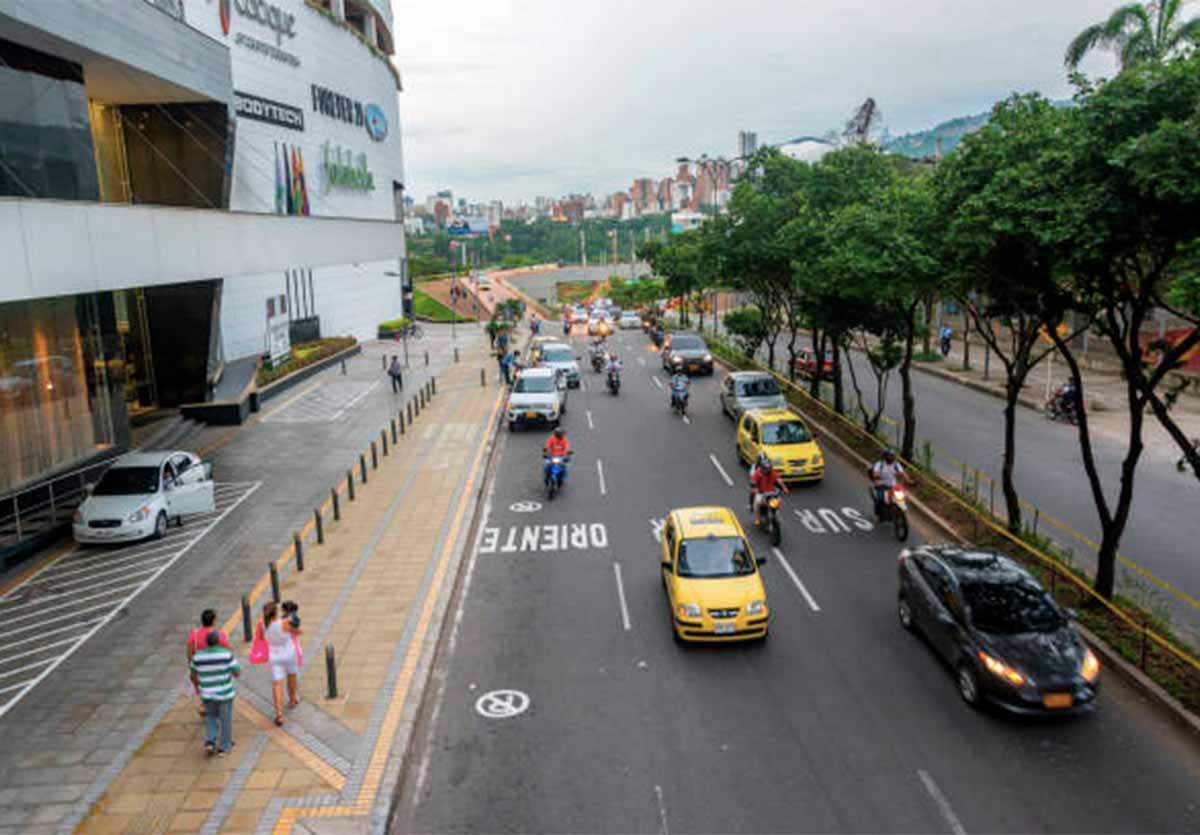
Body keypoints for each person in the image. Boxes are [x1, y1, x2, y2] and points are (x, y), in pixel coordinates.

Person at [190, 630, 241, 756]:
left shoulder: (197, 656)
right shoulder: (226, 655)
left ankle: (210, 741)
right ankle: (224, 746)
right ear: (218, 641)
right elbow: (237, 672)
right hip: (224, 693)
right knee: (225, 719)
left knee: (211, 717)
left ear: (206, 642)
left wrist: (198, 686)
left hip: (207, 693)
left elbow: (192, 674)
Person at [261, 601, 301, 726]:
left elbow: (263, 638)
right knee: (292, 676)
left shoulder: (263, 625)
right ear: (276, 612)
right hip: (289, 654)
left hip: (274, 656)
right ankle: (292, 699)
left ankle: (279, 714)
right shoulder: (284, 623)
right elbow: (298, 631)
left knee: (277, 684)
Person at [187, 609, 230, 717]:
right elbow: (227, 651)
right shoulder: (220, 634)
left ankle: (205, 704)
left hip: (201, 667)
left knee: (204, 686)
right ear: (214, 621)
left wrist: (192, 667)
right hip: (216, 666)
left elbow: (189, 653)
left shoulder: (194, 635)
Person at [749, 453, 788, 525]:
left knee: (778, 501)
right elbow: (753, 481)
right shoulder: (757, 473)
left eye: (768, 468)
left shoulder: (772, 472)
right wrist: (755, 489)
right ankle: (757, 517)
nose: (767, 470)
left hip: (771, 492)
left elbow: (778, 480)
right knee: (757, 503)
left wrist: (784, 487)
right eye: (765, 469)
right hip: (761, 492)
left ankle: (776, 513)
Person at [869, 449, 909, 519]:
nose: (891, 458)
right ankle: (878, 514)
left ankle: (900, 512)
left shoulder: (896, 464)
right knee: (880, 499)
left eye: (892, 456)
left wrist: (909, 480)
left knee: (901, 498)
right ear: (885, 456)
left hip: (893, 486)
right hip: (881, 486)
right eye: (889, 456)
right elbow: (876, 473)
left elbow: (902, 473)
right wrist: (877, 477)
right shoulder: (879, 464)